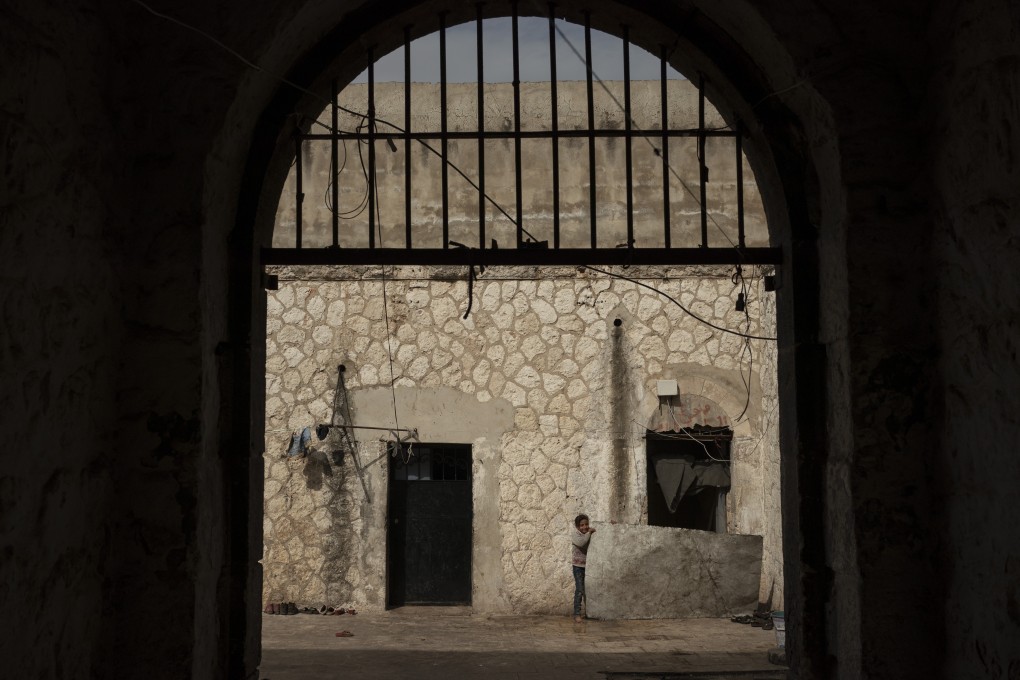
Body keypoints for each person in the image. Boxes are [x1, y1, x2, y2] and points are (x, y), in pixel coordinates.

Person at [571, 513, 595, 623]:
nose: (584, 527)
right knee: (580, 590)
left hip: (589, 566)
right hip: (578, 567)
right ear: (577, 527)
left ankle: (590, 612)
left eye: (586, 524)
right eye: (581, 525)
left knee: (589, 590)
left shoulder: (589, 534)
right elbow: (582, 543)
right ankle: (577, 614)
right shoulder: (576, 535)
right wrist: (590, 532)